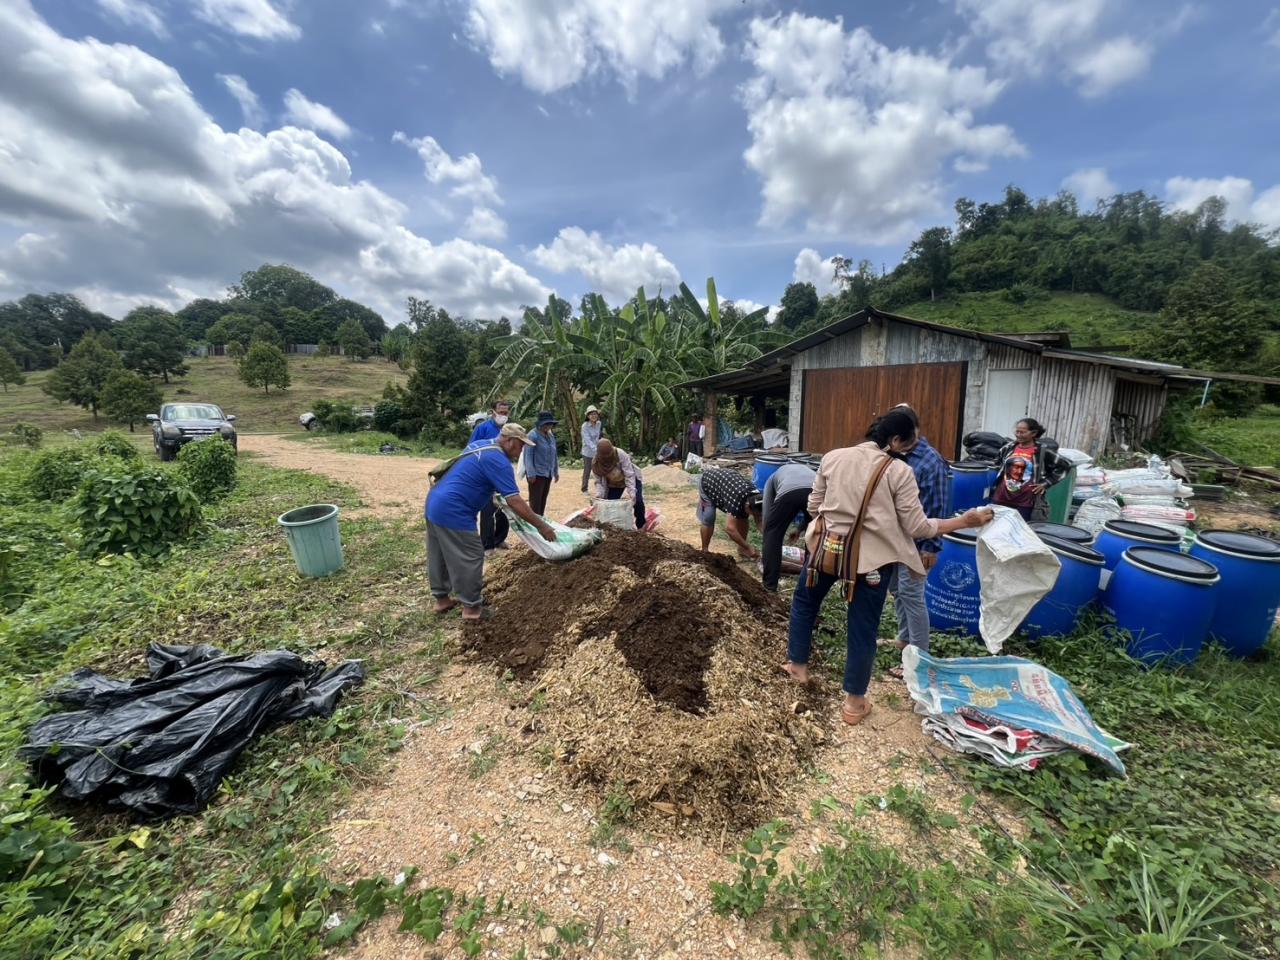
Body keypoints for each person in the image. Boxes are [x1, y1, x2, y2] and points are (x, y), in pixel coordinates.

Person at [782, 410, 992, 725]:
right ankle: (854, 703)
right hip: (872, 564)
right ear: (894, 441)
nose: (912, 448)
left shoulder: (833, 457)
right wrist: (965, 521)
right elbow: (919, 527)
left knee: (804, 604)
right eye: (910, 442)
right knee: (862, 626)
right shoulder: (898, 472)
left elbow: (814, 506)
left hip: (826, 551)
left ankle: (797, 668)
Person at [425, 423, 555, 622]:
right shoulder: (498, 460)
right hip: (454, 510)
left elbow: (471, 474)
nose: (521, 451)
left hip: (435, 501)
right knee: (470, 555)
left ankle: (441, 599)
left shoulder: (480, 445)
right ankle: (472, 609)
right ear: (510, 441)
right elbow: (515, 500)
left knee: (439, 552)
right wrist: (542, 526)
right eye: (521, 446)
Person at [886, 404, 951, 675]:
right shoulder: (899, 454)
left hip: (918, 542)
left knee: (913, 596)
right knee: (898, 591)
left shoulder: (929, 462)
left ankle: (918, 660)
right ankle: (904, 639)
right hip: (894, 539)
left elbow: (938, 506)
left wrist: (931, 547)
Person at [991, 418, 1068, 521]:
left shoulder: (1042, 451)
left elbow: (1065, 466)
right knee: (996, 528)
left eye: (1022, 432)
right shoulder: (1009, 448)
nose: (1018, 435)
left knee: (1020, 530)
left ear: (1034, 433)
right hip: (1001, 497)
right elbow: (997, 463)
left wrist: (1046, 483)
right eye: (1017, 431)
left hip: (1025, 501)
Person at [760, 460, 817, 592]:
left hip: (789, 493)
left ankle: (769, 586)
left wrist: (768, 532)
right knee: (815, 535)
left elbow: (768, 515)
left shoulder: (773, 477)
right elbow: (810, 512)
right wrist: (799, 529)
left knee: (772, 535)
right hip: (815, 492)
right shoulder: (809, 470)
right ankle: (810, 581)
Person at [470, 400, 512, 552]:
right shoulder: (483, 428)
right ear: (493, 412)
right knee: (487, 510)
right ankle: (487, 545)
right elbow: (471, 448)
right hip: (486, 475)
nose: (503, 415)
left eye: (506, 413)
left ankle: (499, 539)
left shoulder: (509, 429)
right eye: (500, 412)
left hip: (502, 474)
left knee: (504, 508)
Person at [696, 468, 762, 559]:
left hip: (728, 482)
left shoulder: (758, 497)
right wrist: (748, 546)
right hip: (708, 482)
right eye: (752, 513)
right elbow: (730, 529)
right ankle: (704, 550)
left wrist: (767, 538)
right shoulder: (737, 499)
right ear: (747, 505)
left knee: (743, 516)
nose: (753, 516)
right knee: (708, 517)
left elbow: (759, 520)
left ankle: (742, 549)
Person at [591, 439, 647, 529]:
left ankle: (641, 526)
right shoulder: (596, 463)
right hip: (614, 484)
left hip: (631, 478)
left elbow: (629, 475)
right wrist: (599, 496)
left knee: (638, 501)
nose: (607, 458)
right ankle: (615, 529)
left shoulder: (620, 454)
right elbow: (599, 482)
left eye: (608, 455)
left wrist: (632, 493)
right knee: (611, 505)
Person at [524, 411, 559, 516]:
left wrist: (555, 471)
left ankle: (540, 522)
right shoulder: (532, 435)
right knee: (535, 502)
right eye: (546, 424)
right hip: (536, 474)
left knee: (543, 500)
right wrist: (530, 473)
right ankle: (534, 525)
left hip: (547, 473)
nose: (548, 426)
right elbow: (528, 455)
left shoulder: (550, 436)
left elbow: (554, 454)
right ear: (540, 423)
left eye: (550, 424)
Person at [579, 405, 605, 493]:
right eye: (591, 414)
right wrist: (595, 449)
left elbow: (598, 437)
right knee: (587, 470)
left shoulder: (599, 423)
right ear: (588, 416)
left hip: (597, 451)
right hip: (587, 452)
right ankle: (584, 489)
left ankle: (601, 488)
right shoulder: (584, 426)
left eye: (595, 414)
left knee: (599, 470)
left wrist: (600, 448)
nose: (593, 416)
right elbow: (587, 440)